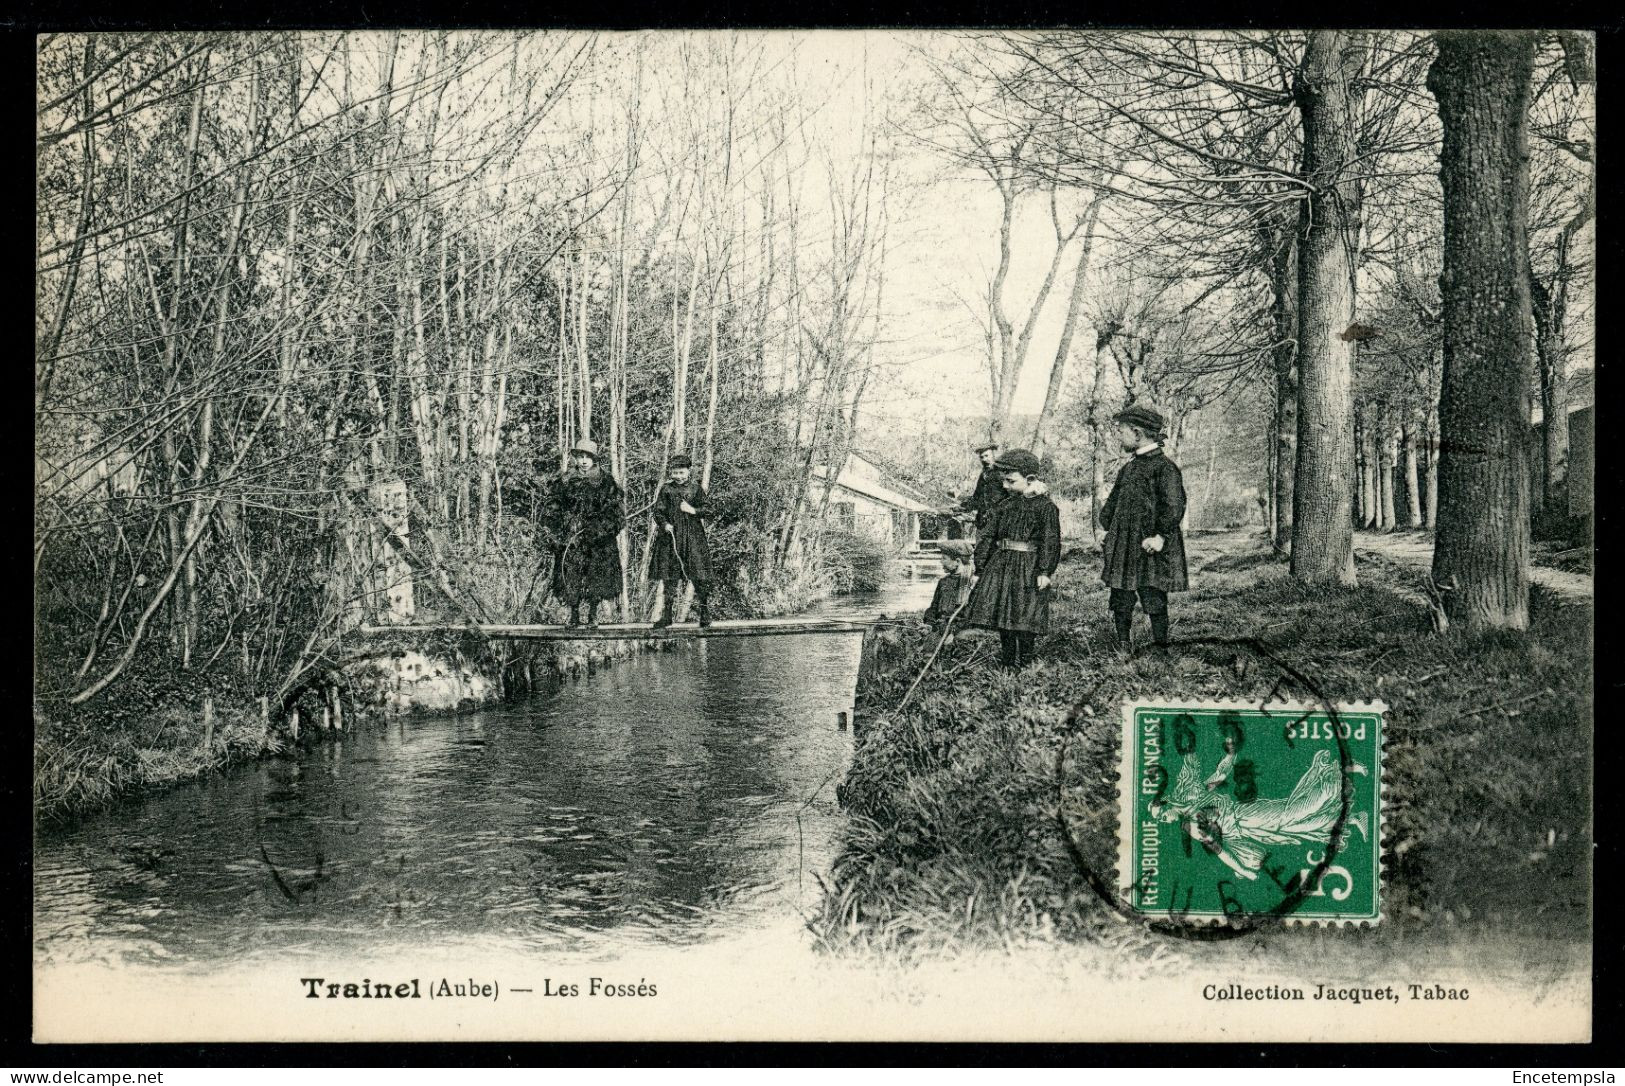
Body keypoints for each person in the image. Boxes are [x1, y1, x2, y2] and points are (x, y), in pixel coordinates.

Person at [961, 448, 1062, 670]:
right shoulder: (1003, 506)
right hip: (1002, 565)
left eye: (1010, 481)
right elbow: (987, 537)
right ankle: (1007, 662)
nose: (1005, 486)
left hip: (1029, 567)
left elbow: (1050, 541)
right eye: (1003, 481)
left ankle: (1025, 661)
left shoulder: (1045, 507)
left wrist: (1045, 571)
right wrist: (980, 569)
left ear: (1030, 479)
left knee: (1025, 615)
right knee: (1004, 616)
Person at [1099, 404, 1189, 652]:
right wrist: (1105, 527)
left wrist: (1160, 535)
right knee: (1121, 595)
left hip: (1149, 545)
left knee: (1153, 595)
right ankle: (1123, 644)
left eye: (1121, 431)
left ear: (1137, 433)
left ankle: (1161, 646)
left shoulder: (1164, 467)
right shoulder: (1128, 468)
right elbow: (1112, 503)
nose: (1119, 437)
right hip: (1124, 545)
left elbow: (1174, 505)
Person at [549, 438, 625, 628]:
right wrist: (560, 532)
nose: (583, 461)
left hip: (597, 538)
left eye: (587, 457)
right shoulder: (565, 480)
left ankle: (592, 615)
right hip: (572, 537)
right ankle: (573, 615)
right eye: (580, 457)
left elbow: (616, 513)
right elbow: (553, 508)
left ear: (594, 459)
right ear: (575, 458)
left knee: (596, 575)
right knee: (570, 574)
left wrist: (599, 529)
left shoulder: (606, 481)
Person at [649, 453, 714, 629]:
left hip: (693, 539)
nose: (678, 476)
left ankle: (705, 614)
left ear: (688, 471)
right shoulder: (666, 489)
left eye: (681, 472)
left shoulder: (695, 489)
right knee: (669, 577)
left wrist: (692, 510)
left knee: (699, 575)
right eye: (675, 473)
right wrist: (664, 524)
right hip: (671, 539)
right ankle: (667, 616)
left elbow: (708, 510)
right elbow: (658, 511)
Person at [954, 442, 1006, 536]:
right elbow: (976, 498)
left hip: (999, 521)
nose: (984, 459)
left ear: (993, 455)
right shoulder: (983, 475)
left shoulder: (1002, 473)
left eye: (987, 456)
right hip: (983, 521)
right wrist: (961, 506)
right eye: (981, 457)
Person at [922, 539, 975, 630]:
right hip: (940, 627)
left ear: (957, 561)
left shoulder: (971, 584)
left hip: (957, 629)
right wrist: (929, 624)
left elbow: (969, 615)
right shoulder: (943, 582)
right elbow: (933, 608)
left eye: (944, 558)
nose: (941, 562)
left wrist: (954, 631)